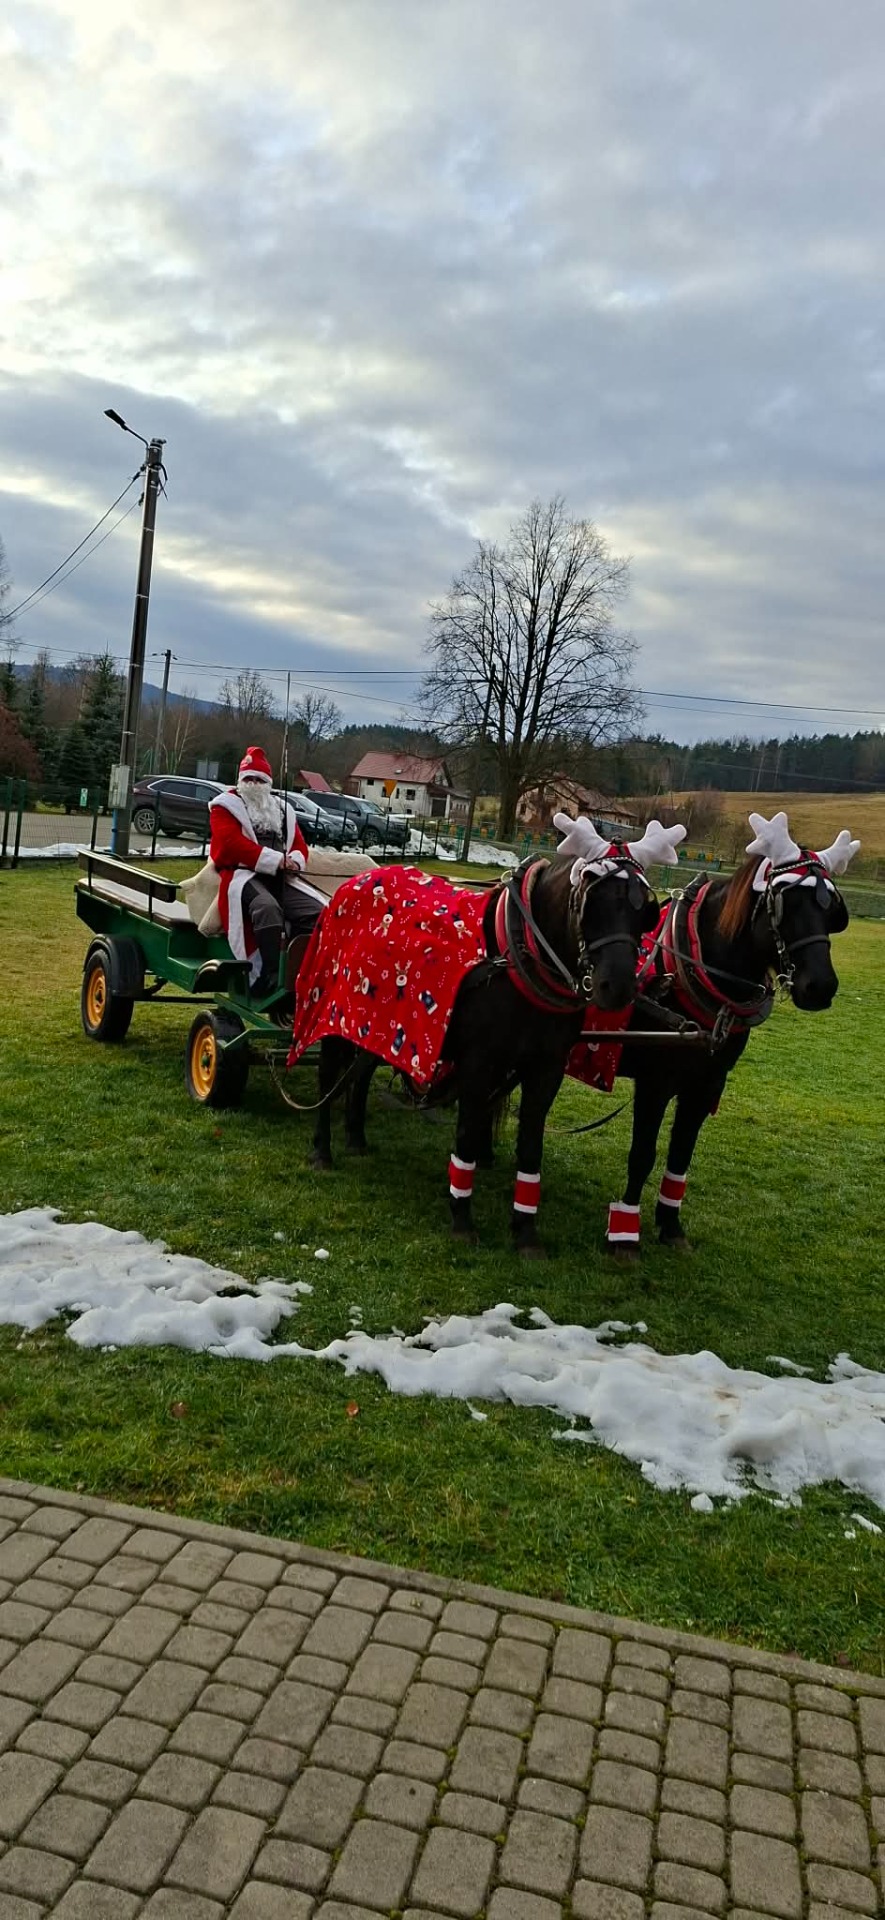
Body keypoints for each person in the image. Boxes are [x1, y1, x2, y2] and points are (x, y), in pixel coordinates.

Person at [209, 746, 326, 996]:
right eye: (248, 778)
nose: (253, 784)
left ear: (268, 783)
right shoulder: (224, 807)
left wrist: (294, 861)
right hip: (242, 875)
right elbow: (232, 844)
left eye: (259, 779)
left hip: (280, 877)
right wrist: (275, 859)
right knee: (267, 908)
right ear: (240, 780)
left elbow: (299, 845)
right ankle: (270, 973)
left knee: (318, 912)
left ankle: (299, 967)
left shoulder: (282, 810)